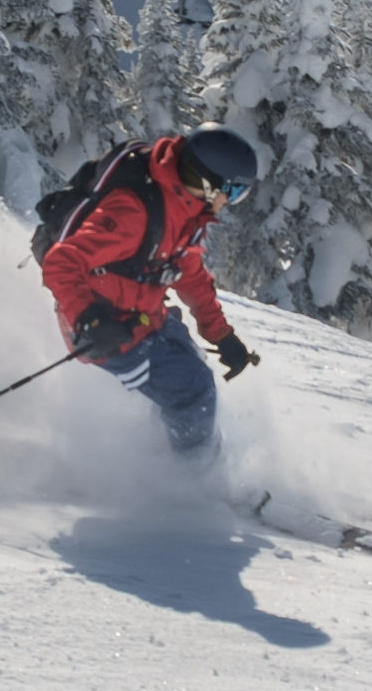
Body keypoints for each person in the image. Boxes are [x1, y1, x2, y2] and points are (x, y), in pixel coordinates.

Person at [39, 124, 261, 458]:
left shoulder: (184, 210)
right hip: (103, 330)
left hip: (144, 316)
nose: (229, 203)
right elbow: (61, 262)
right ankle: (194, 481)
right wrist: (89, 319)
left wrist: (221, 336)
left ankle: (170, 453)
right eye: (232, 193)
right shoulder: (134, 214)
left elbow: (190, 276)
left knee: (190, 362)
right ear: (208, 184)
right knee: (192, 389)